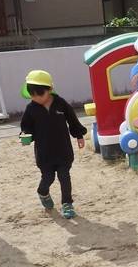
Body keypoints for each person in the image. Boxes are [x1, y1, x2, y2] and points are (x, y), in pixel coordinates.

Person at [18, 69, 87, 219]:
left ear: (49, 89)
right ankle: (42, 192)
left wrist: (79, 135)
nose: (36, 98)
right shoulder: (31, 108)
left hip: (63, 150)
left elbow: (72, 120)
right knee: (48, 177)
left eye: (40, 94)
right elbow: (26, 127)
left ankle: (67, 204)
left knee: (64, 176)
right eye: (32, 95)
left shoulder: (61, 104)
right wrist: (25, 136)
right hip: (44, 153)